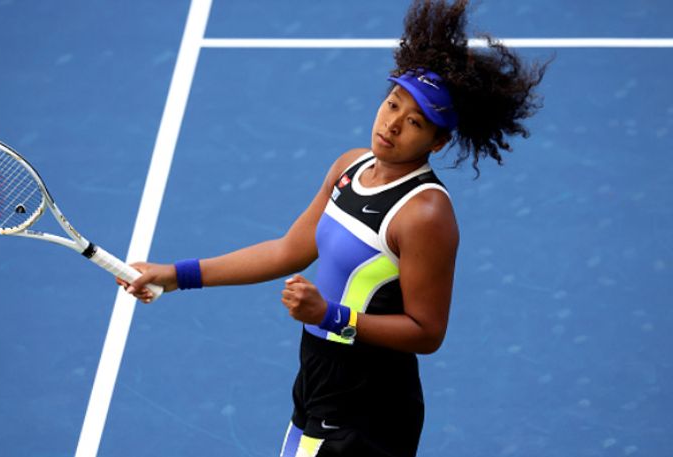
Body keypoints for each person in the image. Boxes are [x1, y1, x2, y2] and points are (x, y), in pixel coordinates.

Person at [120, 0, 548, 455]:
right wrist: (176, 275)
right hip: (318, 377)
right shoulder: (351, 166)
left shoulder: (425, 215)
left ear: (438, 142)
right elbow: (288, 250)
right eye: (392, 104)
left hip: (369, 398)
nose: (392, 124)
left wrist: (328, 315)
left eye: (415, 122)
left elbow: (427, 332)